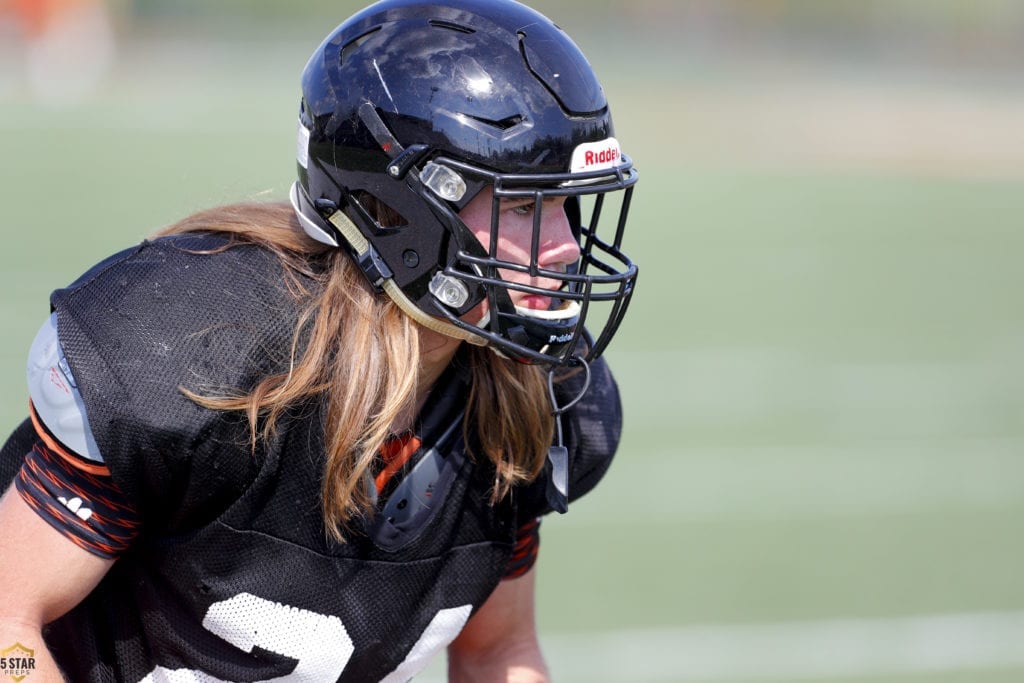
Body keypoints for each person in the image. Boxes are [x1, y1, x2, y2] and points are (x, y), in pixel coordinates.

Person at [0, 0, 638, 680]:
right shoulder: (188, 356)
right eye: (522, 207)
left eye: (567, 207)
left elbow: (497, 649)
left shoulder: (525, 393)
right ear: (402, 210)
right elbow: (7, 626)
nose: (568, 247)